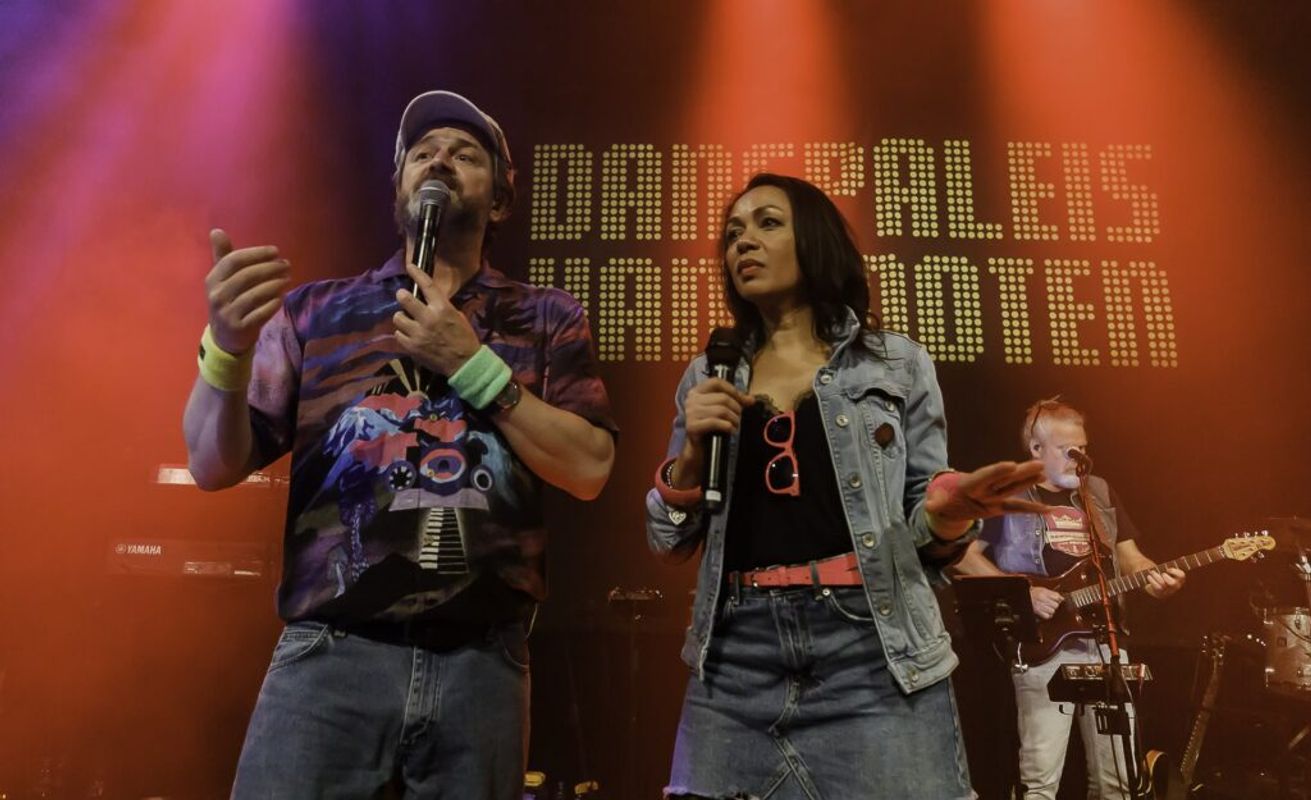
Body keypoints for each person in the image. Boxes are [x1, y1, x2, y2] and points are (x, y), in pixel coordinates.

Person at [183, 90, 616, 797]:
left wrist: (472, 364)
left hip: (480, 663)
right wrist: (227, 351)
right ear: (399, 188)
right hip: (330, 655)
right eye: (422, 153)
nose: (439, 160)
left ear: (501, 200)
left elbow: (590, 467)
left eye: (464, 154)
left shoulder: (544, 316)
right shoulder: (318, 311)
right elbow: (210, 463)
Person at [645, 173, 1048, 800]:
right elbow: (668, 540)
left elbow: (926, 532)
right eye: (732, 233)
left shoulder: (895, 363)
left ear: (814, 239)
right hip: (735, 661)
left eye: (767, 223)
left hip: (871, 651)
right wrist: (691, 458)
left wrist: (948, 512)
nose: (743, 242)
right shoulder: (708, 374)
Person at [949, 398, 1184, 799]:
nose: (1079, 458)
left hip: (1105, 644)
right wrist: (1022, 594)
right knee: (1041, 779)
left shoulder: (1100, 492)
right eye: (1067, 449)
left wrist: (1156, 578)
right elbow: (962, 555)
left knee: (1118, 781)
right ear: (1036, 449)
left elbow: (1131, 559)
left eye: (1083, 448)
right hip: (1043, 647)